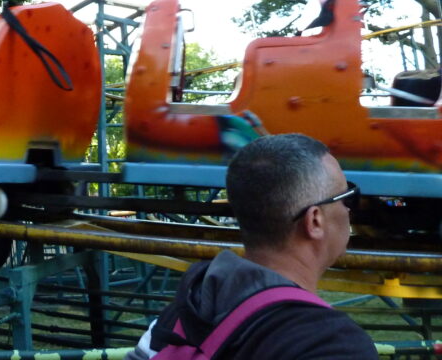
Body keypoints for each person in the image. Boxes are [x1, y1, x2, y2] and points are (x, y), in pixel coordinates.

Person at [126, 133, 377, 359]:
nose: (349, 210)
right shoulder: (333, 345)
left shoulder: (182, 314)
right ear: (314, 221)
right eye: (347, 197)